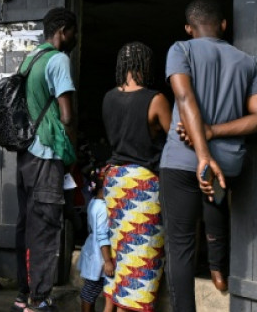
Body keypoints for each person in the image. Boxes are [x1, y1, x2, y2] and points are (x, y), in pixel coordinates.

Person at [161, 0, 257, 312]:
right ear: (223, 25)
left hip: (183, 162)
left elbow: (184, 98)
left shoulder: (181, 50)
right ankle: (218, 270)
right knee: (216, 213)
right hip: (227, 166)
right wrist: (212, 133)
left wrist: (201, 153)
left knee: (181, 245)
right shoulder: (248, 62)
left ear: (188, 28)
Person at [14, 7, 79, 312]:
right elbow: (66, 115)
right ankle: (39, 300)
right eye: (73, 32)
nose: (74, 38)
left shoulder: (31, 59)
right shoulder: (58, 59)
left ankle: (23, 293)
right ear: (63, 30)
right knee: (45, 225)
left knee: (27, 224)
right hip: (47, 153)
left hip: (27, 154)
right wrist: (71, 153)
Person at [101, 42, 170, 312]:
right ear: (145, 66)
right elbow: (177, 139)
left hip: (115, 183)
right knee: (142, 262)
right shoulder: (156, 99)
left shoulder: (108, 97)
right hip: (142, 187)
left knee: (120, 258)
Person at [78, 168, 112, 312]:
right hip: (99, 256)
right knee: (90, 292)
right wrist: (108, 261)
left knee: (89, 291)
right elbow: (102, 236)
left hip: (92, 249)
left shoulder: (93, 202)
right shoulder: (104, 208)